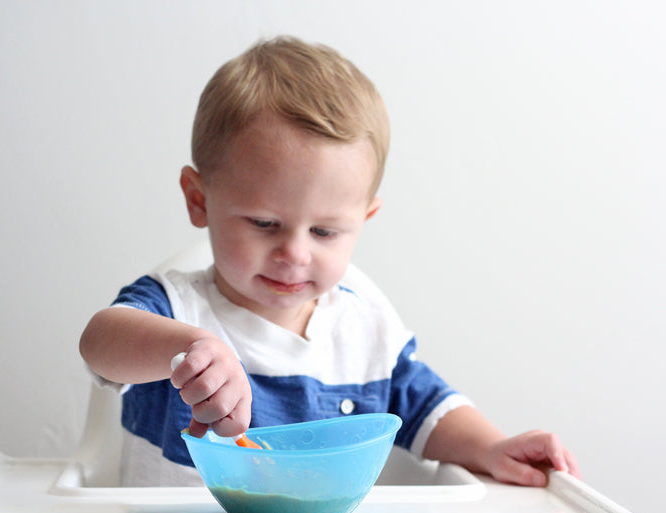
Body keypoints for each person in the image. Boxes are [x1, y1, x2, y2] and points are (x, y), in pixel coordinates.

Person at [80, 36, 581, 488]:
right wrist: (188, 349)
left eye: (324, 232)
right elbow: (99, 343)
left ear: (364, 220)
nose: (295, 253)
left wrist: (492, 448)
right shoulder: (175, 307)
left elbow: (428, 409)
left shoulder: (366, 331)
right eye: (264, 223)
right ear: (199, 200)